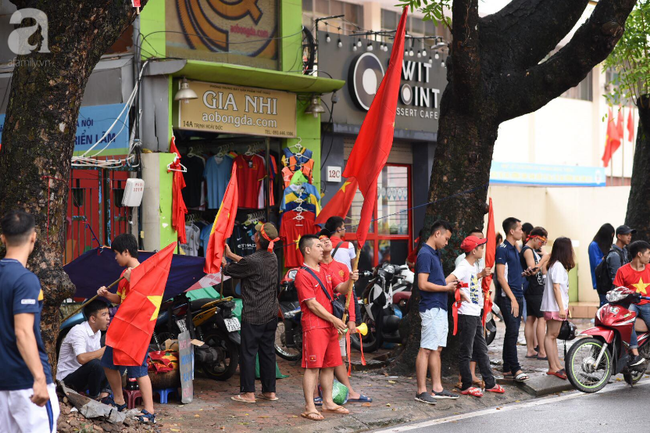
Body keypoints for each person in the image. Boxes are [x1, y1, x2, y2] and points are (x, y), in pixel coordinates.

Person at [0, 210, 60, 432]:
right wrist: (39, 378)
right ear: (33, 236)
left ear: (3, 238)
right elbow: (23, 332)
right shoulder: (26, 280)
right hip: (27, 385)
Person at [97, 233, 155, 423]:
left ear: (126, 251)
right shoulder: (124, 274)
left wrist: (133, 280)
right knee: (108, 363)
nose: (115, 258)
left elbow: (145, 300)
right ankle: (120, 402)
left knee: (138, 369)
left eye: (116, 254)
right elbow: (121, 299)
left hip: (137, 329)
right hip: (121, 327)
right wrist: (107, 295)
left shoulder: (144, 272)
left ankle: (150, 411)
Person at [294, 234, 353, 421]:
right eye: (318, 246)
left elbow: (341, 288)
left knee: (329, 365)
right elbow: (312, 304)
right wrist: (334, 319)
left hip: (329, 325)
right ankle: (309, 406)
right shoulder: (302, 274)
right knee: (313, 367)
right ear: (308, 250)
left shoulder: (325, 270)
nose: (323, 249)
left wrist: (351, 279)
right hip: (315, 326)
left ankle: (328, 402)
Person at [223, 222, 280, 403]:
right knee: (267, 352)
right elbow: (249, 264)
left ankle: (248, 393)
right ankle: (269, 391)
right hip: (270, 313)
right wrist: (232, 254)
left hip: (255, 314)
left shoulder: (254, 260)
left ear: (257, 238)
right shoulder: (273, 258)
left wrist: (224, 260)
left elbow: (230, 270)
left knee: (248, 353)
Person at [317, 230, 368, 403]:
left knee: (339, 357)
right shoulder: (316, 268)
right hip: (322, 319)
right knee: (326, 358)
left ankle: (338, 392)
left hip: (340, 318)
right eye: (321, 241)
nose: (327, 242)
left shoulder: (342, 267)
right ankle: (328, 393)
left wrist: (353, 318)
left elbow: (349, 295)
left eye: (327, 239)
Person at [452, 235, 504, 397]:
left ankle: (490, 383)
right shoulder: (463, 266)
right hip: (466, 314)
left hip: (474, 313)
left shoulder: (472, 266)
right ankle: (466, 385)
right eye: (481, 247)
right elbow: (449, 280)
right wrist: (459, 291)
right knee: (466, 350)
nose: (483, 250)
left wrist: (480, 275)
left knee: (481, 349)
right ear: (473, 251)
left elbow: (470, 281)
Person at [415, 220, 459, 404]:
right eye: (446, 239)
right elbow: (422, 284)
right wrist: (446, 288)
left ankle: (437, 388)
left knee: (437, 349)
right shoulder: (425, 254)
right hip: (431, 306)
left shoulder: (435, 253)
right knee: (426, 349)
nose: (447, 243)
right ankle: (421, 390)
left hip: (439, 306)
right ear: (437, 234)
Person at [495, 217, 528, 382]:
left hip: (518, 294)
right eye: (520, 229)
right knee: (513, 330)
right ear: (512, 231)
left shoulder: (515, 248)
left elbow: (512, 272)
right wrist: (513, 299)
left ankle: (507, 367)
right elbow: (501, 277)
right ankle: (516, 368)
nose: (522, 232)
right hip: (509, 297)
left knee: (512, 332)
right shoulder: (502, 249)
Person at [56, 300, 111, 399]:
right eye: (104, 314)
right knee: (96, 365)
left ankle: (105, 396)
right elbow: (81, 358)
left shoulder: (97, 332)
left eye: (108, 314)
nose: (108, 318)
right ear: (93, 319)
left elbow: (99, 356)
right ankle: (94, 398)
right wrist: (106, 349)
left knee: (113, 360)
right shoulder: (78, 331)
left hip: (83, 377)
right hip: (67, 380)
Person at [541, 237, 575, 380]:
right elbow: (556, 288)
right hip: (554, 306)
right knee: (551, 335)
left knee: (552, 336)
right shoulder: (558, 266)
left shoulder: (555, 265)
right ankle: (552, 367)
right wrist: (562, 308)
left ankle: (556, 365)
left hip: (554, 305)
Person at [612, 240, 650, 367]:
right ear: (640, 254)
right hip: (631, 304)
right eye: (648, 253)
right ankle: (635, 354)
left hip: (648, 304)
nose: (649, 256)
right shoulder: (622, 271)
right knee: (628, 322)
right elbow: (617, 291)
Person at [521, 227, 549, 360]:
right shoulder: (527, 251)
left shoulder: (532, 250)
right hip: (534, 290)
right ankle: (542, 351)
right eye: (542, 242)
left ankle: (531, 350)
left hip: (533, 289)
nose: (542, 245)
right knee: (541, 319)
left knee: (531, 319)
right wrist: (544, 259)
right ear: (536, 238)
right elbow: (532, 270)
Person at [588, 224, 615, 307]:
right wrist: (607, 258)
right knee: (604, 304)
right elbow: (596, 263)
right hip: (601, 280)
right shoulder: (594, 245)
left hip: (608, 280)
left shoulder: (607, 246)